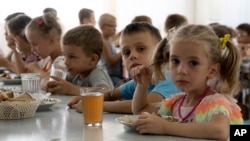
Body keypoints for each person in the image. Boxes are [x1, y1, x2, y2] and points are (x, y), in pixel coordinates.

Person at [131, 24, 243, 141]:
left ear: (212, 71)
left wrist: (166, 127)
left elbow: (220, 130)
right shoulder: (176, 103)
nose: (181, 70)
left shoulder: (215, 102)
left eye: (193, 63)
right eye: (175, 61)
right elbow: (140, 109)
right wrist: (142, 85)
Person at [68, 22, 181, 114]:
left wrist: (96, 105)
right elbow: (110, 94)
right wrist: (88, 98)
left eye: (141, 49)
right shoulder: (138, 81)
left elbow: (145, 106)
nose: (133, 56)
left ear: (159, 51)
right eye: (126, 52)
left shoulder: (169, 77)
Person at [46, 25, 114, 95]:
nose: (65, 62)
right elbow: (61, 84)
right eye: (64, 55)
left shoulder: (97, 74)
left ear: (92, 59)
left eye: (72, 56)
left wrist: (71, 89)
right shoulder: (75, 74)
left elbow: (105, 92)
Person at [98, 13, 124, 86]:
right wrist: (122, 50)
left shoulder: (109, 39)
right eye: (113, 26)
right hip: (109, 75)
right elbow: (111, 62)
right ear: (102, 27)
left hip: (115, 74)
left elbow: (116, 38)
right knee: (122, 86)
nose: (115, 29)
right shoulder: (103, 42)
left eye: (115, 26)